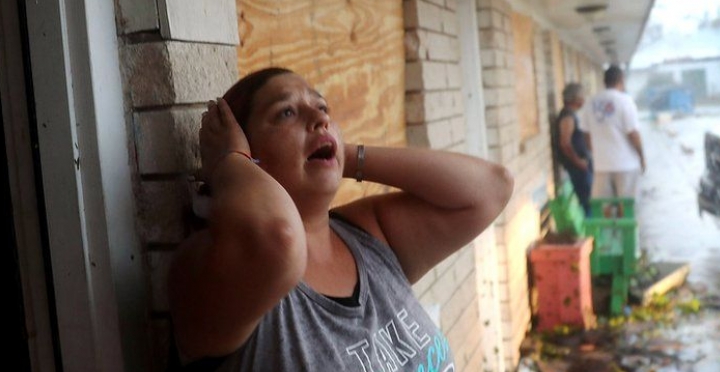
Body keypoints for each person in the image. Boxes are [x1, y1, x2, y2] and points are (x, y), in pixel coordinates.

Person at [169, 67, 513, 371]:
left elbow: (491, 189)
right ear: (247, 153)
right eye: (286, 112)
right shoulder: (219, 268)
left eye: (322, 109)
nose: (319, 119)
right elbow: (280, 240)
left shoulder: (366, 235)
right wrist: (230, 160)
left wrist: (337, 151)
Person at [582, 65, 645, 200]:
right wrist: (642, 157)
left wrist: (597, 153)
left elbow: (586, 135)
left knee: (604, 209)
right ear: (621, 80)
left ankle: (609, 221)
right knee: (626, 208)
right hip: (626, 165)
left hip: (601, 166)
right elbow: (633, 133)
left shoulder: (590, 103)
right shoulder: (625, 101)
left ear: (604, 81)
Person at [550, 83, 592, 216]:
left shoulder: (572, 114)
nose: (584, 100)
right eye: (582, 97)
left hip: (580, 168)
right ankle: (590, 233)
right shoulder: (568, 116)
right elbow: (565, 144)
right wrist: (579, 162)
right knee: (586, 204)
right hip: (577, 169)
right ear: (576, 99)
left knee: (588, 201)